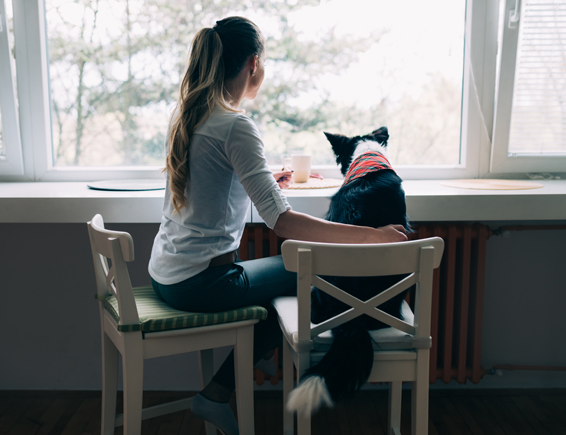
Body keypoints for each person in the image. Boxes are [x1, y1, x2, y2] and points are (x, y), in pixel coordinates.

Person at [148, 16, 408, 435]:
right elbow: (283, 223)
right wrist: (371, 235)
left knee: (284, 284)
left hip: (166, 273)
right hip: (201, 283)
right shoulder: (235, 125)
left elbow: (214, 179)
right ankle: (223, 388)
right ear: (253, 64)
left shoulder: (191, 114)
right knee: (306, 271)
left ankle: (250, 358)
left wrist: (267, 179)